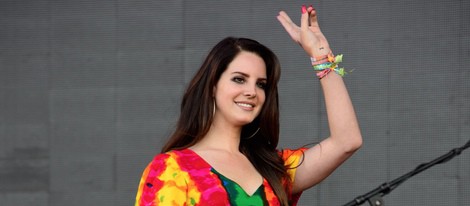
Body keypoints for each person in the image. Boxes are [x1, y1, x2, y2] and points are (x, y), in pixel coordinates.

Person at [135, 4, 362, 206]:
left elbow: (347, 141)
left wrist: (321, 55)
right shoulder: (172, 169)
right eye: (239, 79)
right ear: (212, 86)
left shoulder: (275, 169)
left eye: (261, 84)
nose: (252, 92)